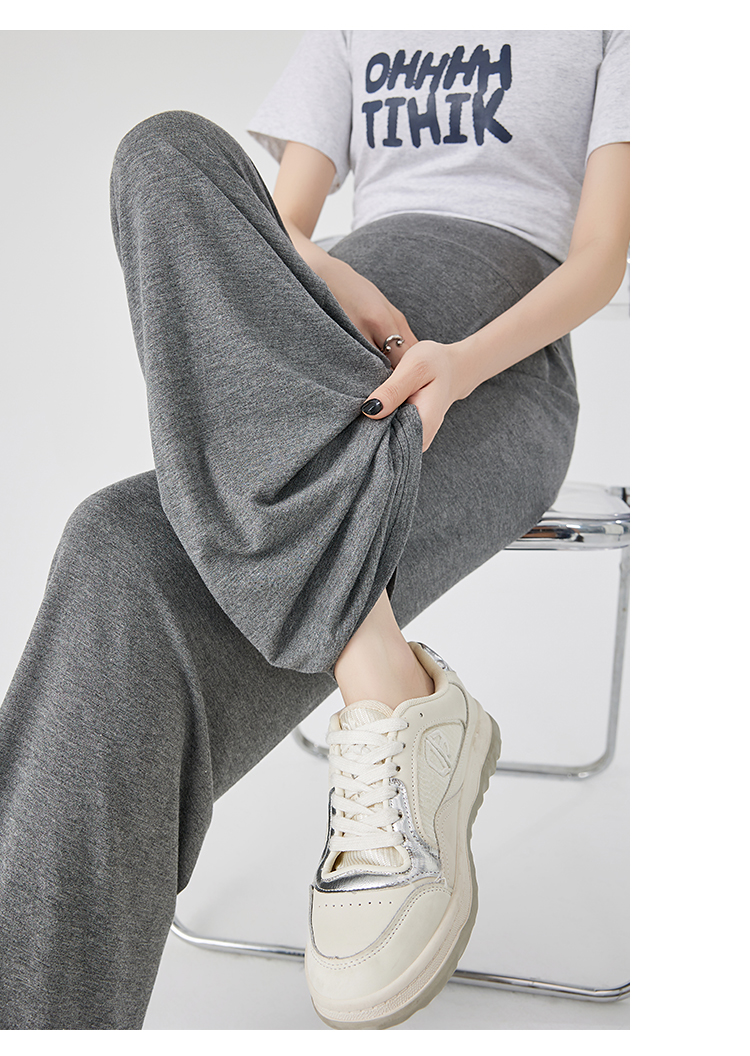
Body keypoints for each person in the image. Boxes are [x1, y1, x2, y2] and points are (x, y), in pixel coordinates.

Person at [0, 30, 629, 1030]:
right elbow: (285, 226)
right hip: (322, 352)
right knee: (164, 150)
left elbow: (600, 260)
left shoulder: (607, 28)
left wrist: (461, 363)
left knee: (116, 546)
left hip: (495, 372)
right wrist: (335, 278)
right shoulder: (355, 24)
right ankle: (384, 676)